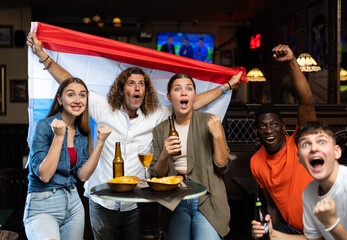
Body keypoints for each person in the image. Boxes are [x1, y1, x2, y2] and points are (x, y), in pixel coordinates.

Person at [26, 32, 244, 240]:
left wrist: (226, 86)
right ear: (122, 89)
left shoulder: (155, 116)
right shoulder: (104, 109)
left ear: (146, 91)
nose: (137, 87)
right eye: (131, 83)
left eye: (141, 84)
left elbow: (189, 103)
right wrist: (43, 56)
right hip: (102, 200)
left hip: (135, 202)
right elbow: (71, 85)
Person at [148, 73, 237, 239]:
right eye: (177, 89)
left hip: (207, 197)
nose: (183, 93)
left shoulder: (209, 121)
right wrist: (164, 156)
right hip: (174, 200)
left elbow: (222, 166)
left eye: (189, 89)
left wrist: (217, 136)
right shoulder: (160, 129)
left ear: (194, 96)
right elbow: (158, 175)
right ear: (169, 97)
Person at [23, 77, 111, 240]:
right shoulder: (44, 126)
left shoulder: (82, 131)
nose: (78, 100)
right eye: (71, 95)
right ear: (60, 99)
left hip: (73, 203)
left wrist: (100, 143)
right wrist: (58, 137)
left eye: (82, 95)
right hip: (42, 203)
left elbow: (83, 175)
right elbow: (45, 175)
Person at [250, 44, 316, 238]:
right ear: (257, 132)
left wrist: (291, 62)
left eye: (274, 125)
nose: (269, 130)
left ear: (282, 125)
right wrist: (273, 232)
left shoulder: (299, 143)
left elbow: (306, 102)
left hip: (322, 232)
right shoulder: (256, 162)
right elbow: (270, 203)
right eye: (263, 126)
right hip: (291, 231)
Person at [253, 121, 347, 240]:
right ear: (299, 158)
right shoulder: (309, 192)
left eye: (322, 142)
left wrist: (332, 224)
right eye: (306, 145)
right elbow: (313, 239)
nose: (314, 148)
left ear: (337, 151)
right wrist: (271, 233)